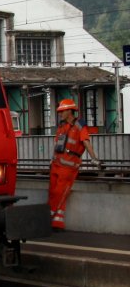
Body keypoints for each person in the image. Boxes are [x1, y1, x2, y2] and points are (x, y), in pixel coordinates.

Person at [48, 98, 101, 231]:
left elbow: (86, 142)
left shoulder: (79, 126)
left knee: (60, 193)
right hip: (56, 164)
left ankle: (47, 217)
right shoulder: (61, 126)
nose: (60, 114)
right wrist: (51, 160)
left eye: (62, 111)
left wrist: (94, 158)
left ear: (70, 111)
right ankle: (57, 223)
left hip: (69, 167)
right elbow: (57, 144)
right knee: (53, 192)